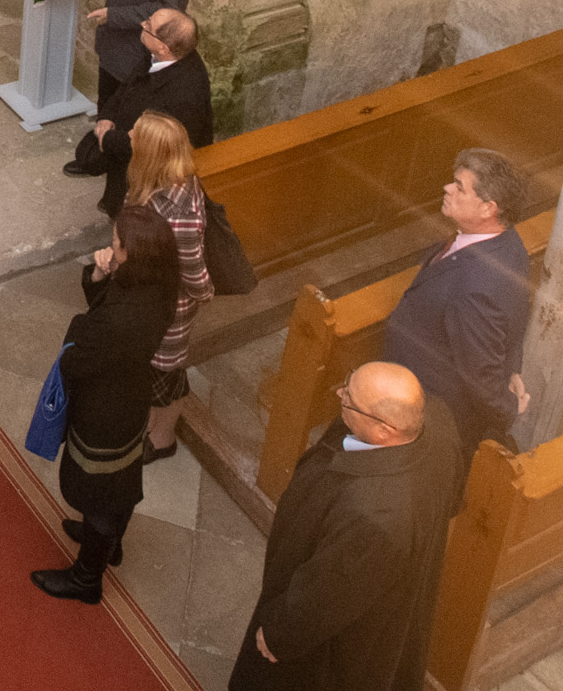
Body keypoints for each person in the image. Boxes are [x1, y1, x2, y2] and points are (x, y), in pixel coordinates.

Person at [228, 361, 466, 690]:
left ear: (384, 430)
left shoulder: (375, 517)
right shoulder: (436, 419)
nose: (340, 394)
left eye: (350, 399)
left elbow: (330, 590)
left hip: (334, 644)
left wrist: (279, 634)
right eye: (348, 383)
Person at [31, 206, 181, 604]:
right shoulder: (158, 283)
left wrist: (76, 333)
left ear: (134, 252)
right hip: (130, 398)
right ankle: (110, 545)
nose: (110, 246)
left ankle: (86, 578)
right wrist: (101, 275)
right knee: (120, 482)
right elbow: (108, 317)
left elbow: (77, 356)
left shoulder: (126, 317)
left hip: (104, 411)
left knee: (97, 493)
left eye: (116, 243)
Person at [382, 148, 536, 456]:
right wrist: (512, 369)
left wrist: (509, 406)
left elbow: (480, 375)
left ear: (488, 208)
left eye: (460, 187)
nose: (447, 188)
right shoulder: (507, 243)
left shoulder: (476, 288)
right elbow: (514, 318)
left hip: (422, 401)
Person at [119, 112, 235, 464]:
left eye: (136, 134)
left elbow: (193, 273)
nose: (129, 134)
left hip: (168, 309)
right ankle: (150, 428)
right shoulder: (160, 179)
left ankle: (162, 438)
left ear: (151, 152)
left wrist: (204, 294)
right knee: (154, 373)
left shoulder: (180, 212)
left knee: (164, 378)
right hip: (149, 297)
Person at [64, 8, 215, 209]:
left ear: (163, 47)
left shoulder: (184, 94)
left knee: (129, 211)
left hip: (149, 175)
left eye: (149, 26)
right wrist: (106, 117)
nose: (143, 24)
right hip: (125, 150)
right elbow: (127, 87)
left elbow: (154, 146)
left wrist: (106, 140)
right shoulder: (160, 56)